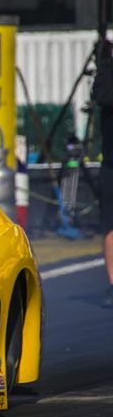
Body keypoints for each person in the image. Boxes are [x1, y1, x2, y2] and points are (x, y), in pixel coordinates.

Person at [92, 38, 113, 307]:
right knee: (110, 224)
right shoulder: (107, 71)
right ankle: (112, 283)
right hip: (111, 161)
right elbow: (101, 96)